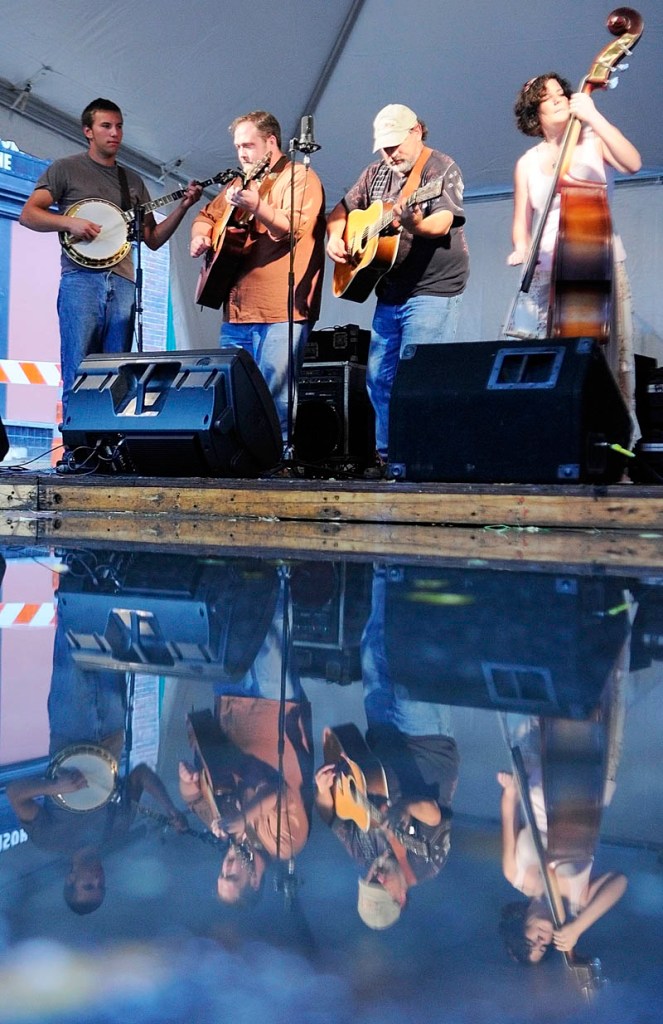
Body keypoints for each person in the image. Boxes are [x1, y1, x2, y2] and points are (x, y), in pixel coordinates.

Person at [18, 97, 203, 414]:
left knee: (118, 370)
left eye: (119, 126)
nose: (115, 133)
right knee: (78, 364)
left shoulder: (131, 181)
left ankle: (109, 447)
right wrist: (69, 222)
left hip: (123, 282)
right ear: (88, 131)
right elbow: (29, 215)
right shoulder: (65, 169)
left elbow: (153, 239)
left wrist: (183, 207)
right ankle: (78, 448)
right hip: (80, 280)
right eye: (106, 126)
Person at [6, 617, 186, 914]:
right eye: (101, 886)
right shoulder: (116, 832)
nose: (97, 880)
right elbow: (140, 776)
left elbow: (15, 793)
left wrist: (55, 786)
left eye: (89, 885)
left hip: (70, 726)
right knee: (111, 641)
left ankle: (72, 581)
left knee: (71, 642)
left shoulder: (49, 840)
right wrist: (170, 808)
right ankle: (109, 584)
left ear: (71, 879)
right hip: (111, 731)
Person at [326, 104, 469, 474]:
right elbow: (340, 211)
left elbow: (441, 222)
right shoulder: (374, 174)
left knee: (418, 376)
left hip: (433, 288)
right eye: (384, 148)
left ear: (417, 131)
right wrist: (334, 238)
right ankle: (390, 459)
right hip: (390, 290)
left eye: (395, 145)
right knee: (378, 377)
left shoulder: (439, 169)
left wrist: (415, 225)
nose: (390, 154)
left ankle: (423, 459)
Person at [314, 564, 459, 929]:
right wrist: (405, 809)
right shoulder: (427, 865)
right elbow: (433, 813)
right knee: (411, 649)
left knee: (374, 645)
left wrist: (322, 791)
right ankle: (421, 568)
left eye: (369, 882)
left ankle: (385, 570)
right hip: (425, 742)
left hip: (381, 734)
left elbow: (331, 818)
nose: (375, 876)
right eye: (381, 886)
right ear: (400, 896)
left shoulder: (364, 854)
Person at [506, 74, 642, 421]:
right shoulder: (527, 162)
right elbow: (522, 224)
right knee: (541, 355)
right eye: (547, 97)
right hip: (547, 267)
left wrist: (594, 116)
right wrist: (522, 249)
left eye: (561, 92)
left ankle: (613, 444)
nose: (559, 98)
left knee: (610, 356)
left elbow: (633, 163)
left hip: (598, 261)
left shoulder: (593, 140)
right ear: (534, 115)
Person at [189, 110, 326, 445]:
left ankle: (276, 459)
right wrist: (201, 235)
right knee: (232, 390)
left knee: (274, 394)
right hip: (236, 309)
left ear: (271, 142)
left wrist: (257, 208)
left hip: (281, 309)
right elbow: (206, 215)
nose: (242, 154)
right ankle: (238, 457)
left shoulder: (300, 177)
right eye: (238, 147)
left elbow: (294, 228)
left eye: (248, 145)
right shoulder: (240, 182)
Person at [497, 714, 627, 965]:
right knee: (595, 703)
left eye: (531, 941)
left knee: (540, 700)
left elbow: (509, 812)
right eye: (543, 948)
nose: (540, 940)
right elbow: (620, 881)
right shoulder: (578, 904)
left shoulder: (515, 875)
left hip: (538, 769)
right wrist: (578, 926)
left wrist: (510, 788)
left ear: (521, 925)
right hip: (589, 781)